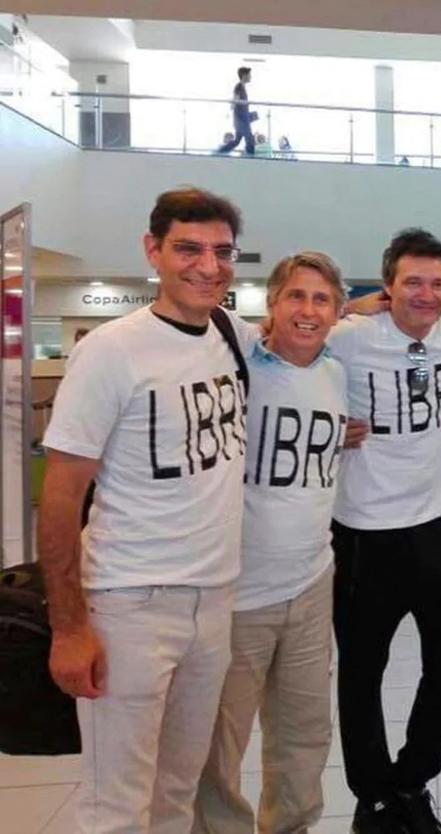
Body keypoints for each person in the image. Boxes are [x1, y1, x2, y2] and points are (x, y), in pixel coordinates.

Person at [39, 187, 252, 833]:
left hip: (213, 598)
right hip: (130, 602)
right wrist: (71, 627)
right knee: (117, 805)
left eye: (221, 252)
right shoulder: (111, 350)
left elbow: (306, 328)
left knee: (176, 790)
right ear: (153, 250)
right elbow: (60, 495)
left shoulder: (227, 331)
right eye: (188, 249)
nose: (207, 266)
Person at [326, 228, 441, 834]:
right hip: (364, 534)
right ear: (388, 287)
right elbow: (279, 343)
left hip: (436, 530)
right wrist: (346, 307)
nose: (426, 296)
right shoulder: (349, 337)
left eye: (438, 284)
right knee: (361, 673)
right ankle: (373, 796)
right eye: (413, 283)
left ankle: (412, 777)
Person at [193, 252, 350, 833]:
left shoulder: (337, 373)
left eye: (322, 300)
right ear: (273, 304)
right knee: (218, 742)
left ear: (336, 311)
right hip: (238, 592)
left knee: (304, 734)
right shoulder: (236, 364)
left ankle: (290, 827)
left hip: (311, 584)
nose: (308, 311)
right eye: (296, 297)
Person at [217, 67, 255, 155]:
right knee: (249, 139)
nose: (250, 77)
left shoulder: (242, 87)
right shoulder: (238, 87)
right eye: (249, 75)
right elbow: (234, 100)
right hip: (241, 119)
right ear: (244, 75)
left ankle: (220, 152)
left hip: (243, 117)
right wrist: (231, 110)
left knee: (237, 141)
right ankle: (251, 157)